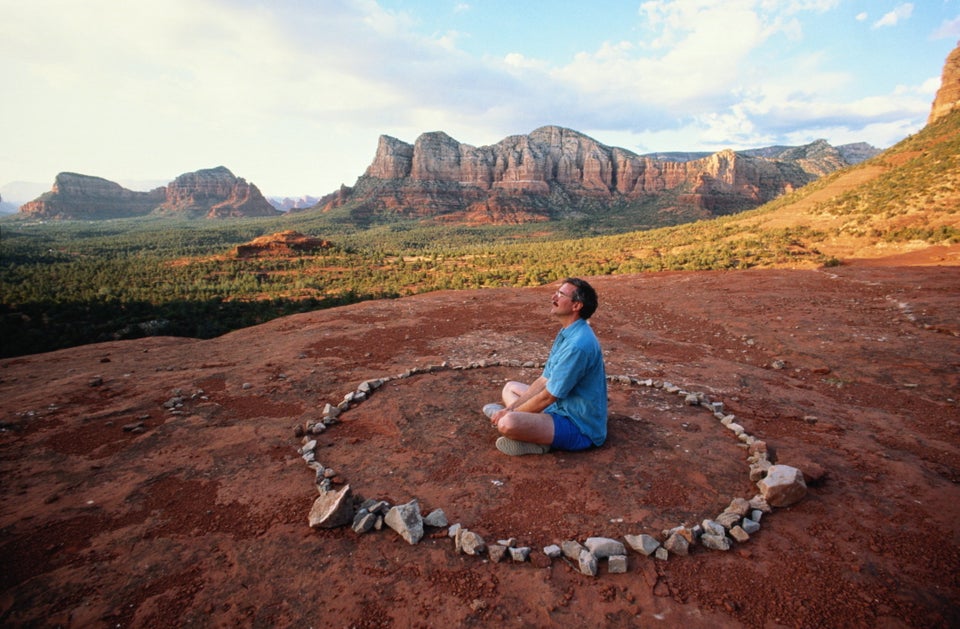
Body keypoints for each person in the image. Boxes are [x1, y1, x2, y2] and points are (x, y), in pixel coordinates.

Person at [483, 277, 607, 456]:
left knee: (507, 423)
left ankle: (534, 437)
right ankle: (531, 431)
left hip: (579, 425)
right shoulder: (568, 332)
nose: (553, 297)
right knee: (510, 388)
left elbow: (548, 396)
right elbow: (544, 379)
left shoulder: (578, 345)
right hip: (562, 406)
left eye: (561, 294)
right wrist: (511, 408)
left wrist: (510, 414)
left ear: (576, 306)